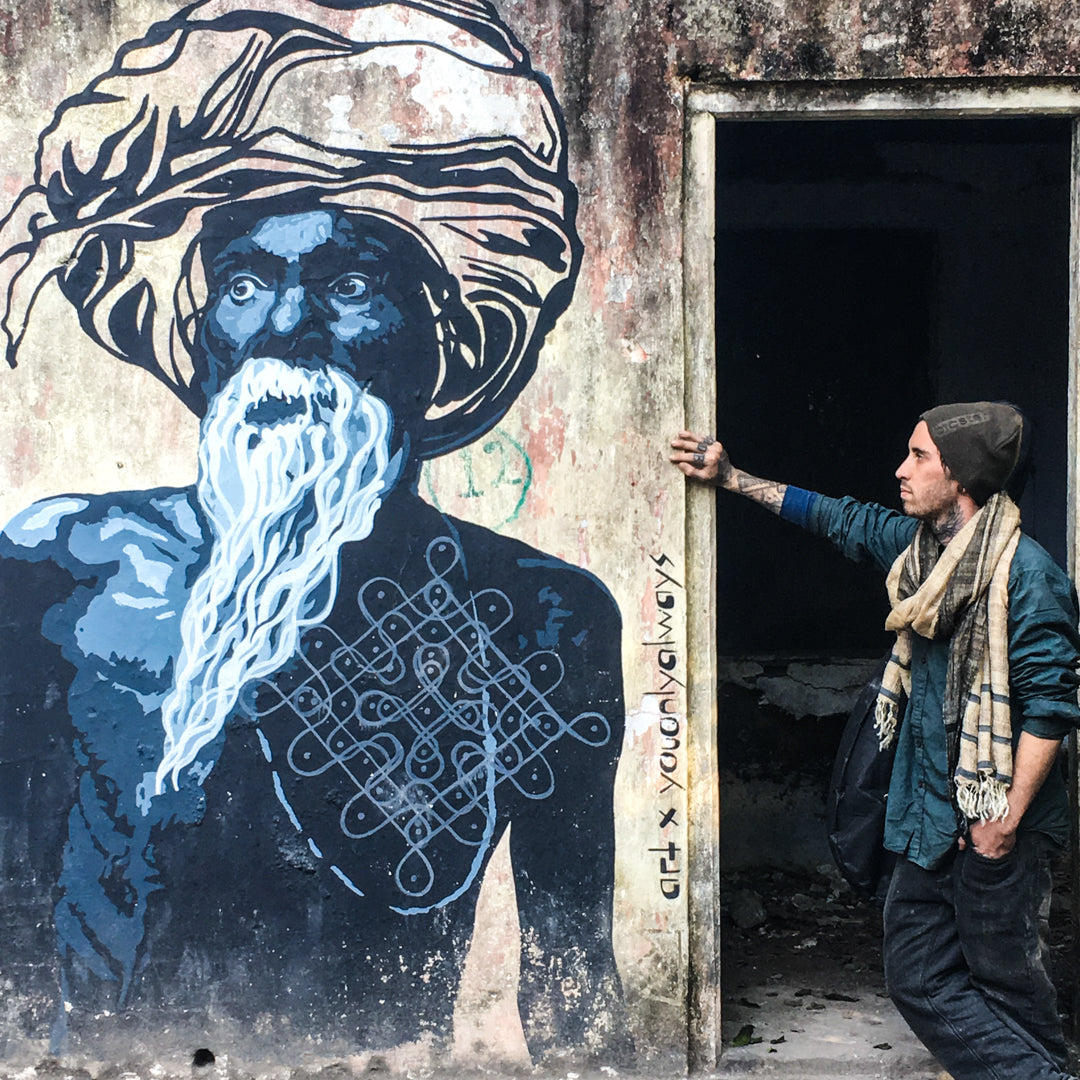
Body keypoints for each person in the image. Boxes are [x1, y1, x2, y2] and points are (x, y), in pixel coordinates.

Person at [0, 0, 628, 1061]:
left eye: (346, 285)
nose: (282, 327)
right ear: (201, 332)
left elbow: (572, 971)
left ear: (440, 341)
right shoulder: (61, 570)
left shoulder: (541, 616)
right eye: (243, 283)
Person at [671, 403, 1080, 1080]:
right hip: (925, 814)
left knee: (1007, 979)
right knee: (918, 976)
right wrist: (731, 477)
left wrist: (1003, 822)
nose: (902, 470)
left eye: (920, 457)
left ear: (965, 476)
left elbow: (1049, 710)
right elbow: (839, 517)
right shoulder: (918, 552)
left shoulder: (1027, 577)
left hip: (997, 820)